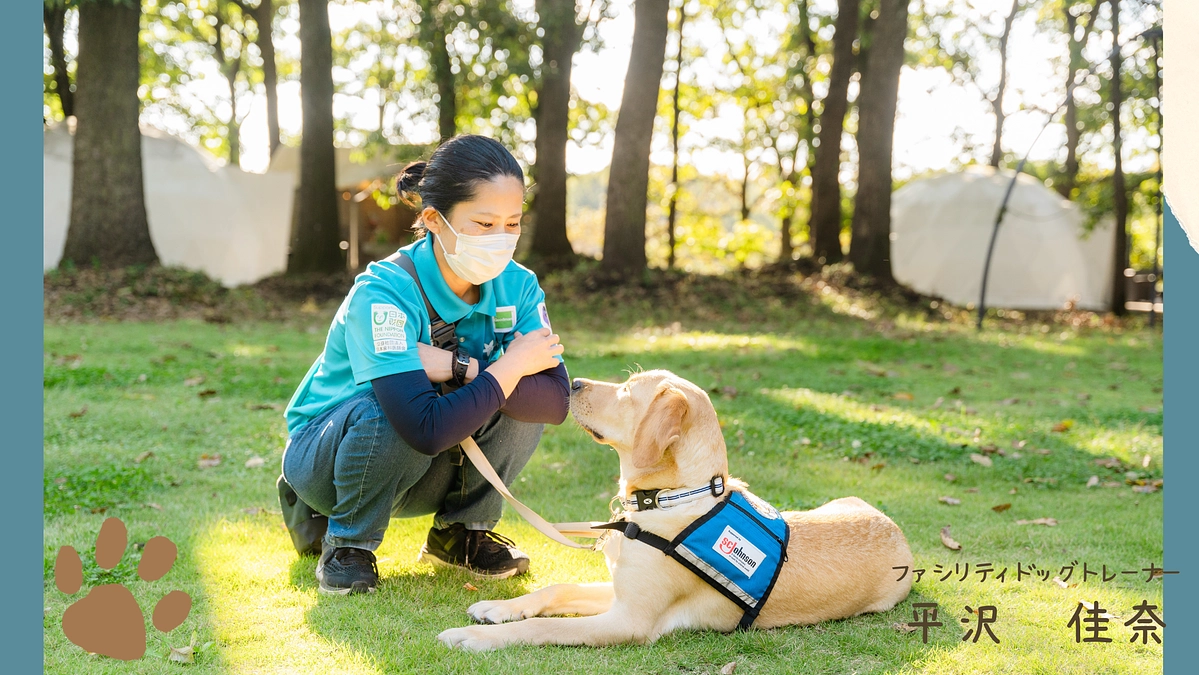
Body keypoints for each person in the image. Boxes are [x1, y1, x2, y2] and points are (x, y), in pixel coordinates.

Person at [277, 134, 569, 595]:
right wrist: (507, 366)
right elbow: (420, 428)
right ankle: (347, 544)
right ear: (434, 219)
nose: (502, 239)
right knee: (391, 407)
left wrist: (464, 368)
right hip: (330, 456)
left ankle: (459, 535)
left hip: (421, 464)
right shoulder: (384, 290)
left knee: (518, 399)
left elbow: (554, 402)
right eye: (484, 223)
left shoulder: (521, 286)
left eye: (513, 223)